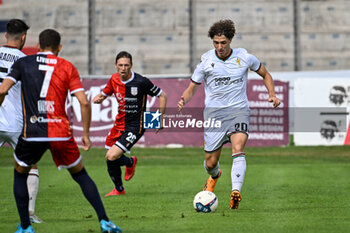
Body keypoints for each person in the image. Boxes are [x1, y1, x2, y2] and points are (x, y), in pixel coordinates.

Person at [0, 29, 121, 233]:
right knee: (81, 174)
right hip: (60, 132)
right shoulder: (66, 66)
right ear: (59, 48)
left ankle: (26, 227)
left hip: (33, 131)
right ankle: (104, 221)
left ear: (37, 46)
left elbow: (3, 89)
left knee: (20, 174)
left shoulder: (23, 63)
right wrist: (86, 134)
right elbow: (83, 101)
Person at [177, 19, 280, 210]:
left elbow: (266, 74)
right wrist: (184, 99)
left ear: (231, 40)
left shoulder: (245, 57)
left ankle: (236, 191)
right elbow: (192, 87)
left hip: (238, 111)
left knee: (238, 147)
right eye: (216, 43)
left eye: (223, 42)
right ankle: (215, 176)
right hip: (214, 116)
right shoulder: (206, 60)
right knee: (210, 162)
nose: (219, 47)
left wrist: (272, 95)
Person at [93, 51, 167, 196]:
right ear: (115, 66)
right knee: (109, 158)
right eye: (120, 65)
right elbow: (105, 93)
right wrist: (99, 98)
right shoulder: (114, 79)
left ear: (131, 66)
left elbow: (163, 95)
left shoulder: (141, 82)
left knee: (112, 156)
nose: (123, 68)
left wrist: (160, 118)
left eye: (126, 65)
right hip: (118, 124)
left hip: (136, 126)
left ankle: (129, 163)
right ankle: (119, 189)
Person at [0, 19, 43, 224]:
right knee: (30, 165)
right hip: (17, 122)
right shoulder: (24, 61)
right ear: (24, 37)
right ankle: (30, 213)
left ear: (6, 34)